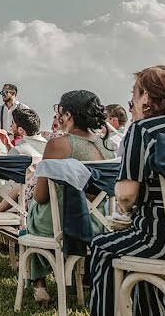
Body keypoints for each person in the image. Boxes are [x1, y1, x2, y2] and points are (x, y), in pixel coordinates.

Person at [90, 66, 165, 316]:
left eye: (133, 94)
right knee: (137, 249)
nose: (132, 102)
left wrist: (128, 210)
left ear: (146, 97)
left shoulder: (144, 129)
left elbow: (125, 195)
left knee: (102, 247)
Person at [25, 90, 114, 305]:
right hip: (99, 225)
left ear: (68, 115)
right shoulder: (109, 147)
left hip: (64, 225)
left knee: (34, 212)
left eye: (59, 111)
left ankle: (39, 283)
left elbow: (42, 195)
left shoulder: (58, 144)